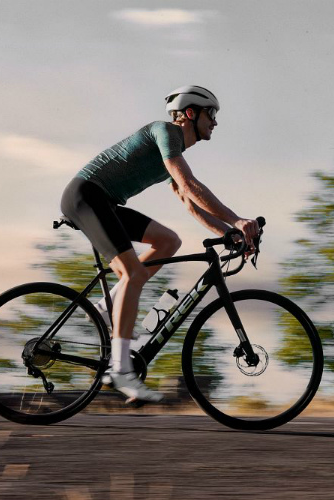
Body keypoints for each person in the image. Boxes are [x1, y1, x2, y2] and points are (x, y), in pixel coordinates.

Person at [60, 85, 260, 403]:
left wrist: (228, 233)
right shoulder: (165, 131)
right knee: (134, 275)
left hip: (103, 203)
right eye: (212, 114)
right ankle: (120, 369)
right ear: (191, 114)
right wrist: (237, 220)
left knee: (169, 241)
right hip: (86, 197)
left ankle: (105, 308)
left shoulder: (173, 150)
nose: (216, 122)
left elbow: (189, 201)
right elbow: (189, 184)